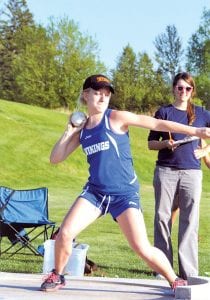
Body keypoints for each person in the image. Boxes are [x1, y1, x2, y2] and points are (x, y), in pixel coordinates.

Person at [41, 74, 210, 292]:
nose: (102, 98)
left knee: (141, 247)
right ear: (86, 95)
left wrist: (195, 131)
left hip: (124, 195)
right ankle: (57, 275)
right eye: (96, 93)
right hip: (95, 193)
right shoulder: (82, 131)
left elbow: (155, 122)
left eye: (106, 94)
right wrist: (70, 129)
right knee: (64, 233)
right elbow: (55, 158)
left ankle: (174, 279)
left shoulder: (115, 117)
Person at [147, 72, 210, 280]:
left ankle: (189, 273)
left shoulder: (202, 113)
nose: (183, 92)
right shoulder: (163, 112)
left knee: (190, 220)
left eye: (188, 88)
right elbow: (150, 143)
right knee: (162, 219)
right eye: (180, 88)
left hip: (192, 173)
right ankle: (164, 271)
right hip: (166, 171)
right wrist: (165, 144)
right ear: (174, 88)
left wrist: (205, 150)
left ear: (193, 91)